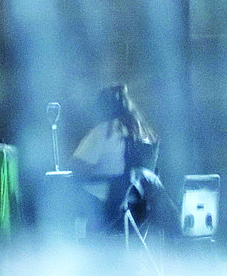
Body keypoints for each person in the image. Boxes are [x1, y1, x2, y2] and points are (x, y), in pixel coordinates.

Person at [69, 84, 178, 236]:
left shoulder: (103, 132)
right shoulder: (146, 132)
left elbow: (76, 166)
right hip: (142, 211)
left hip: (110, 209)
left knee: (64, 189)